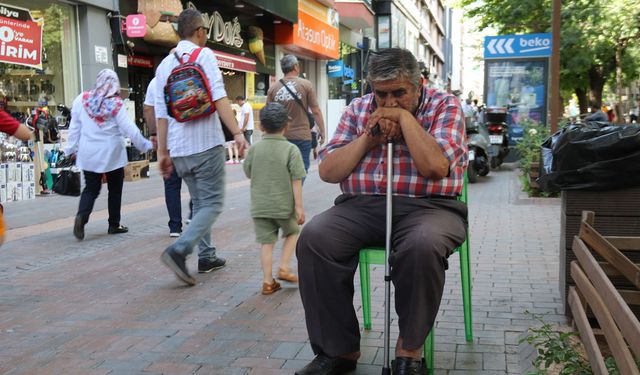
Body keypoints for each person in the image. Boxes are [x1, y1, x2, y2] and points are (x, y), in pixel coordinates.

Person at [294, 48, 468, 375]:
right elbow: (329, 172)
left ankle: (409, 353)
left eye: (399, 93)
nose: (388, 102)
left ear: (419, 85)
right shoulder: (358, 109)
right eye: (381, 94)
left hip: (430, 207)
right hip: (362, 205)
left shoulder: (445, 105)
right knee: (315, 238)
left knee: (422, 245)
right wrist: (367, 141)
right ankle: (338, 351)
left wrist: (406, 120)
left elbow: (434, 166)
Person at [154, 8, 248, 285]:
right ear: (199, 32)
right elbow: (219, 97)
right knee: (213, 203)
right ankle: (179, 250)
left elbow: (161, 113)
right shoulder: (204, 56)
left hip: (180, 150)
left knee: (200, 203)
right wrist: (238, 133)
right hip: (206, 146)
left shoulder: (163, 66)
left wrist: (162, 153)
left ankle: (207, 255)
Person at [65, 69, 153, 241]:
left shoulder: (81, 99)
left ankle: (81, 217)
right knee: (115, 189)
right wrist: (145, 145)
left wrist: (69, 149)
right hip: (112, 153)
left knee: (91, 188)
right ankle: (114, 224)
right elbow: (129, 129)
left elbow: (74, 127)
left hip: (88, 152)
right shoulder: (116, 104)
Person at [243, 103, 306, 295]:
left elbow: (248, 172)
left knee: (266, 243)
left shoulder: (254, 149)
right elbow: (296, 179)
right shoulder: (291, 149)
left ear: (261, 126)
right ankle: (285, 267)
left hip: (260, 206)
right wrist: (299, 207)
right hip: (283, 206)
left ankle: (268, 282)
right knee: (293, 232)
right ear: (286, 126)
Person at [144, 77, 192, 237]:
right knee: (195, 181)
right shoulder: (188, 76)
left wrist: (153, 133)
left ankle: (175, 227)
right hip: (190, 139)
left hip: (168, 141)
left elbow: (148, 109)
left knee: (171, 185)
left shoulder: (155, 81)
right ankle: (195, 214)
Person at [266, 55, 326, 173]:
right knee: (301, 171)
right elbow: (316, 110)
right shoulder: (306, 85)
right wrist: (322, 131)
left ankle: (289, 191)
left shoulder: (273, 89)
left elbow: (268, 115)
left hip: (280, 138)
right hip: (302, 137)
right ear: (295, 67)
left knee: (283, 171)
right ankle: (294, 191)